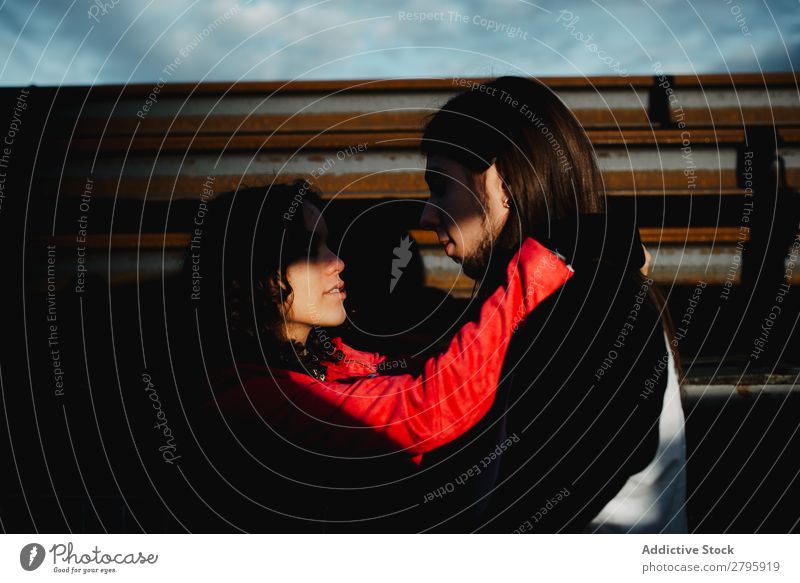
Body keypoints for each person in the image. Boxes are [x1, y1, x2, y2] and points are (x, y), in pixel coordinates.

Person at [183, 180, 573, 532]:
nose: (337, 262)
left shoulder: (330, 361)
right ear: (255, 273)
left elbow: (424, 372)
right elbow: (426, 406)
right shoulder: (243, 395)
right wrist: (533, 274)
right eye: (309, 248)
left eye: (329, 244)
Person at [417, 76, 687, 532]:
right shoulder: (554, 296)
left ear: (500, 181)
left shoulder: (595, 305)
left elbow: (554, 500)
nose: (425, 214)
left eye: (440, 186)